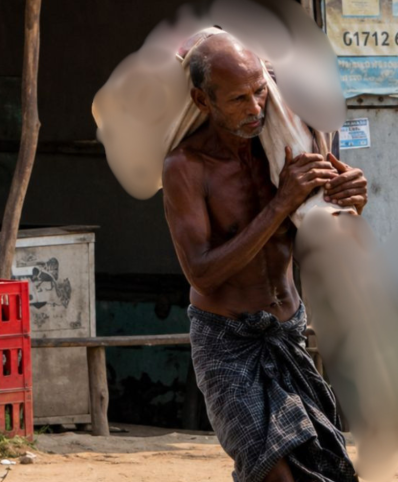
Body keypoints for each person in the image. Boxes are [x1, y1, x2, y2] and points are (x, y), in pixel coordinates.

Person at [162, 33, 368, 482]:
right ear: (202, 99)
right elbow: (201, 272)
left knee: (320, 468)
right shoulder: (187, 167)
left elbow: (329, 242)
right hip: (226, 340)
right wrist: (280, 205)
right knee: (272, 473)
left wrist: (350, 203)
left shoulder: (287, 144)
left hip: (287, 329)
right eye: (238, 99)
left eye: (259, 91)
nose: (255, 109)